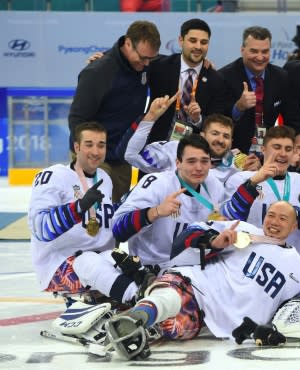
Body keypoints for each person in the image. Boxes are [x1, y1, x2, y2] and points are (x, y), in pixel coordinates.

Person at [105, 202, 300, 359]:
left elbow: (296, 314)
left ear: (295, 225)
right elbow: (189, 234)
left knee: (174, 328)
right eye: (271, 215)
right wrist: (214, 241)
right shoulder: (242, 229)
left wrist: (270, 330)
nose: (274, 222)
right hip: (198, 286)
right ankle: (136, 316)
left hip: (220, 324)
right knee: (170, 298)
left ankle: (143, 285)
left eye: (282, 218)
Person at [29, 122, 147, 304]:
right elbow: (41, 229)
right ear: (77, 147)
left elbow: (106, 220)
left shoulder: (105, 178)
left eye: (101, 145)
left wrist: (131, 203)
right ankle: (139, 302)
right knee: (89, 261)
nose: (96, 151)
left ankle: (145, 299)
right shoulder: (52, 176)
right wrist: (78, 207)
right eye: (89, 144)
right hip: (61, 263)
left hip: (99, 257)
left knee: (124, 262)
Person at [68, 20, 161, 202]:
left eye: (151, 59)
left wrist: (205, 64)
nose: (147, 63)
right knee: (93, 217)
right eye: (143, 58)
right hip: (95, 154)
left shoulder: (144, 63)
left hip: (121, 157)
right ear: (128, 44)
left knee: (115, 216)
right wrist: (89, 154)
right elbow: (77, 119)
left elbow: (174, 63)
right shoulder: (98, 72)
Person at [112, 135, 231, 269]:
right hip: (152, 267)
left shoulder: (214, 185)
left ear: (210, 163)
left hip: (195, 266)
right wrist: (154, 212)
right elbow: (117, 230)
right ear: (178, 163)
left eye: (204, 161)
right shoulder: (157, 183)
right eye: (191, 161)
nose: (199, 168)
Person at [215, 126, 300, 265]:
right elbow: (228, 219)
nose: (282, 153)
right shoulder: (240, 179)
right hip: (250, 264)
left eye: (288, 149)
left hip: (294, 267)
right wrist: (254, 182)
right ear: (263, 150)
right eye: (277, 147)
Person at [145, 18, 230, 145]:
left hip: (192, 152)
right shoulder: (159, 67)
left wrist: (198, 119)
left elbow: (217, 122)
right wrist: (105, 56)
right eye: (193, 41)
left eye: (204, 42)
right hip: (156, 146)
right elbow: (133, 59)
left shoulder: (216, 80)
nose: (198, 47)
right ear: (181, 40)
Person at [218, 26, 291, 154]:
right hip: (233, 152)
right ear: (242, 50)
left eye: (265, 51)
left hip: (268, 152)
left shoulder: (281, 77)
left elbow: (291, 117)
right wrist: (238, 108)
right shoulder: (224, 77)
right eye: (254, 51)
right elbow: (216, 121)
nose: (260, 57)